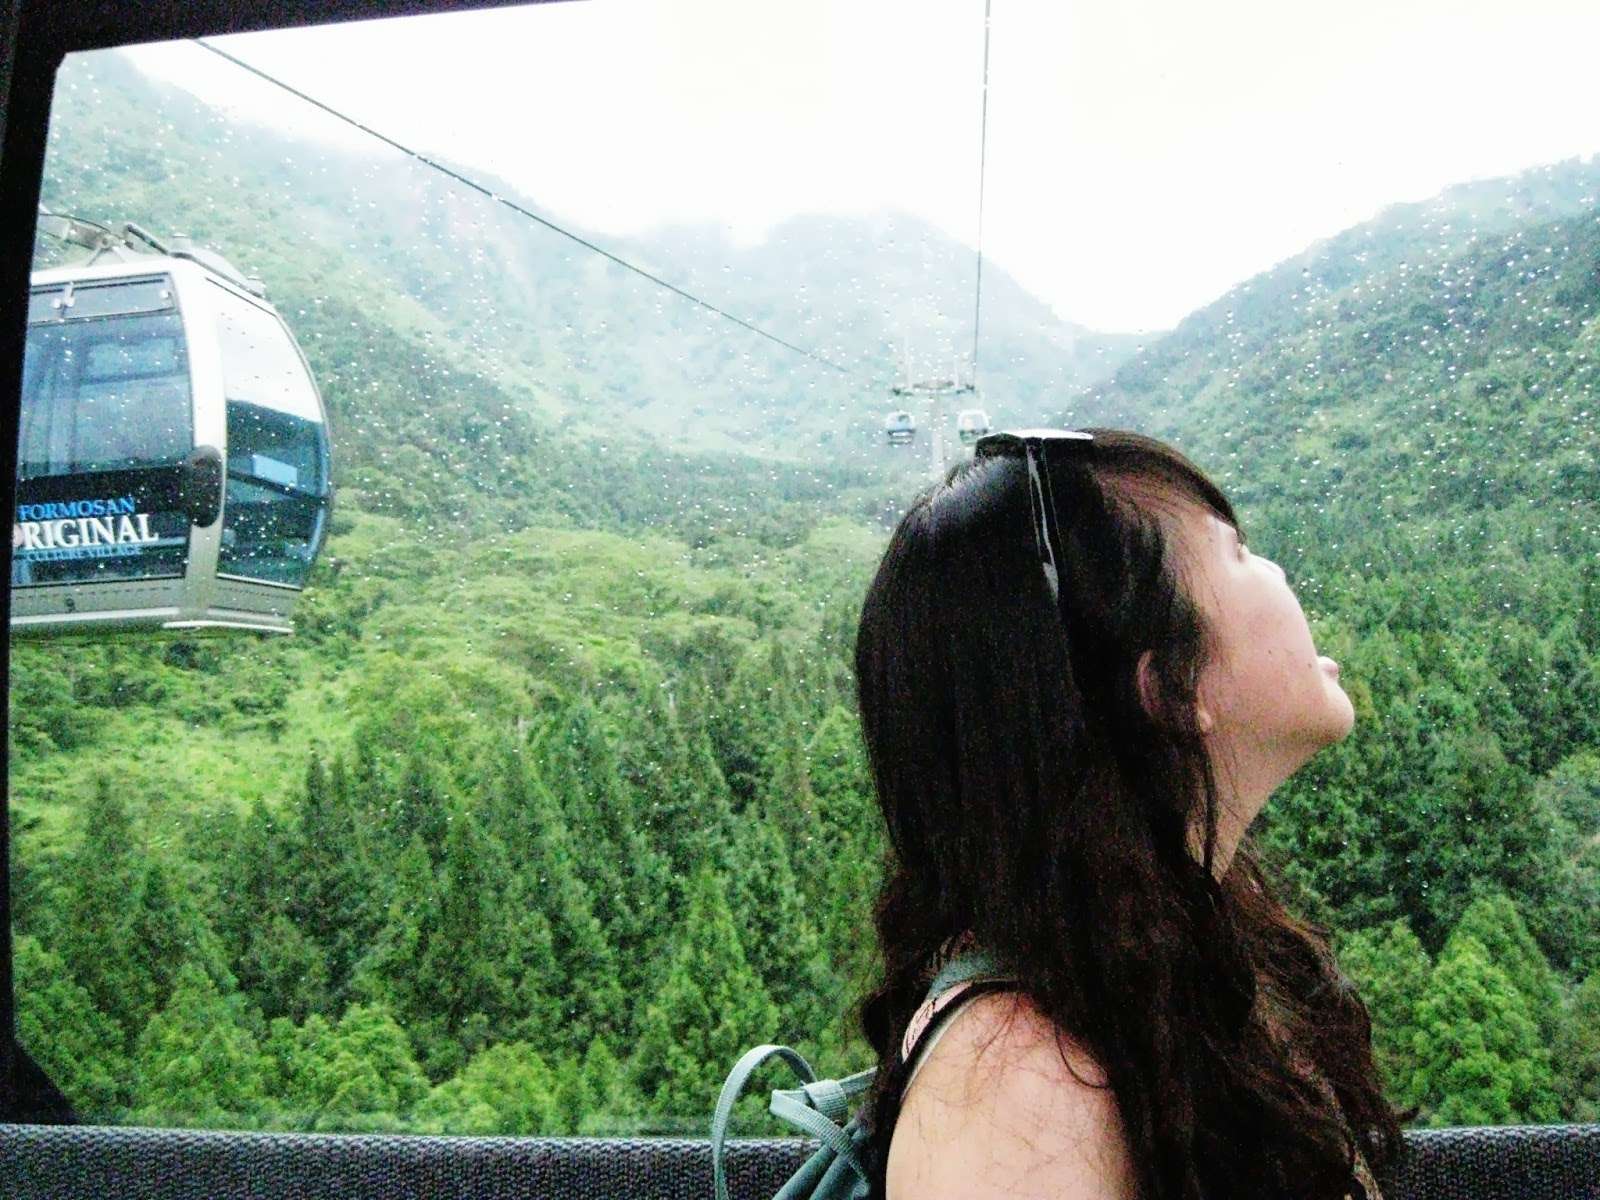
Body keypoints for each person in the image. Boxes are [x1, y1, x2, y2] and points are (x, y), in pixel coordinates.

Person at [853, 429, 1401, 1200]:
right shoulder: (1022, 1093)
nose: (1278, 571)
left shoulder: (1157, 961)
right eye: (1238, 551)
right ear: (1170, 688)